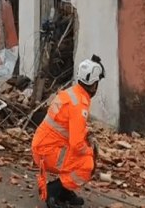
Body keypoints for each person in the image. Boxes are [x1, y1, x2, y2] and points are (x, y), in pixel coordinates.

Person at [31, 55, 105, 208]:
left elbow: (68, 128)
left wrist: (86, 134)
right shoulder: (79, 105)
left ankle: (64, 192)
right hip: (48, 151)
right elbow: (77, 144)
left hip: (44, 146)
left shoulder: (73, 93)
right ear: (94, 84)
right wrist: (91, 151)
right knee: (87, 165)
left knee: (84, 156)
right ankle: (54, 191)